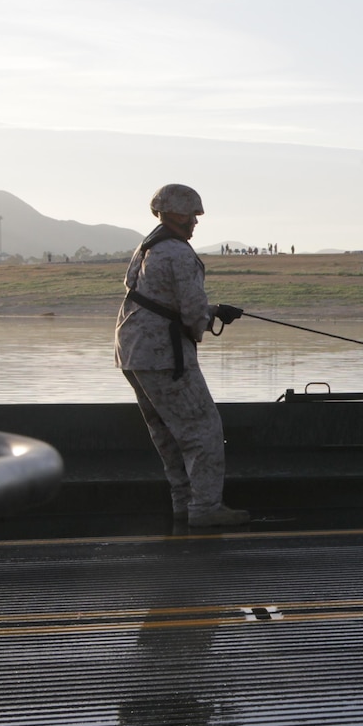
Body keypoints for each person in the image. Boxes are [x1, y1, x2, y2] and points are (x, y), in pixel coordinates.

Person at [115, 185, 250, 528]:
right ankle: (205, 508)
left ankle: (182, 504)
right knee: (203, 429)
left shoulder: (147, 247)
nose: (195, 223)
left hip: (133, 351)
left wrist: (215, 309)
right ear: (176, 214)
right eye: (192, 215)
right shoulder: (179, 252)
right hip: (164, 354)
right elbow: (190, 312)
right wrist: (202, 321)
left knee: (167, 433)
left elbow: (158, 300)